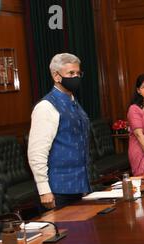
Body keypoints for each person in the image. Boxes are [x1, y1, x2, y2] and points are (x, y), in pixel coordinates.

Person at [28, 53, 90, 210]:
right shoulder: (46, 106)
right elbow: (37, 152)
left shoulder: (73, 101)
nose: (76, 77)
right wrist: (44, 190)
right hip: (58, 189)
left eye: (78, 73)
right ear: (56, 76)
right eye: (71, 73)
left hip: (80, 184)